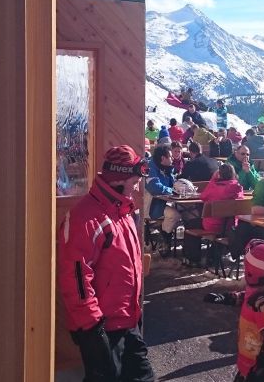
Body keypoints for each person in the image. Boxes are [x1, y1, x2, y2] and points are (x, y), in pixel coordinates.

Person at [57, 145, 155, 382]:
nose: (137, 186)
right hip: (101, 327)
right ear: (119, 179)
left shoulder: (122, 210)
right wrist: (92, 328)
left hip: (127, 321)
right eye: (134, 180)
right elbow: (76, 276)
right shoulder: (87, 218)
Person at [203, 240, 264, 381]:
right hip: (248, 365)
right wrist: (226, 298)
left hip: (262, 371)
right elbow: (247, 298)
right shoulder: (260, 293)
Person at [199, 163, 245, 234]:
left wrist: (213, 179)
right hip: (231, 226)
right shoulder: (238, 188)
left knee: (191, 222)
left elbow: (202, 197)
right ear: (234, 174)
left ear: (219, 174)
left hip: (212, 226)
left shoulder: (214, 187)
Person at [146, 144, 175, 219]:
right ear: (163, 158)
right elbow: (155, 187)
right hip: (152, 207)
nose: (173, 158)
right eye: (170, 156)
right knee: (174, 215)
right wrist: (173, 191)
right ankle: (164, 230)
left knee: (185, 211)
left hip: (165, 202)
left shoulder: (166, 167)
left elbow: (173, 184)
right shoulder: (149, 168)